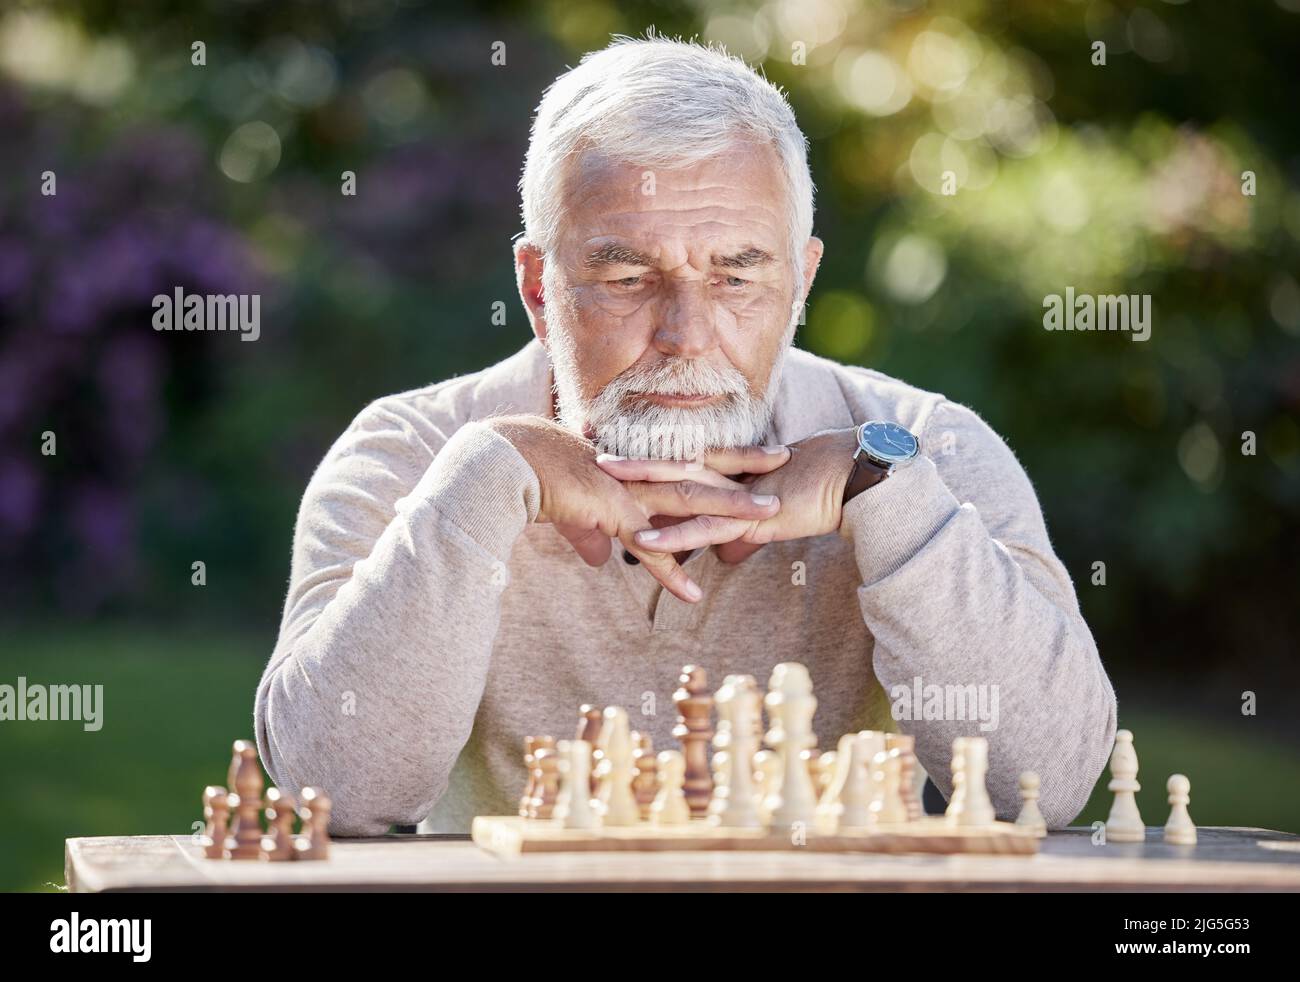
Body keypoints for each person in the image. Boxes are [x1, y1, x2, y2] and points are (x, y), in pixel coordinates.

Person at [254, 36, 1116, 835]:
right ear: (539, 285)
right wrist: (483, 482)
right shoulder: (410, 453)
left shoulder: (929, 449)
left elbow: (1047, 784)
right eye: (627, 275)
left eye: (738, 275)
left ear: (803, 278)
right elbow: (334, 796)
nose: (687, 334)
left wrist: (886, 495)